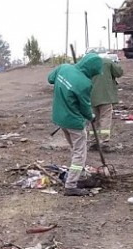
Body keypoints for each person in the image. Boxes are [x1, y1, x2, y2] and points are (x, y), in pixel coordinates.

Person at [47, 53, 103, 197]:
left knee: (75, 149)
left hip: (60, 118)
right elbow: (85, 107)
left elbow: (50, 79)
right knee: (79, 153)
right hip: (74, 122)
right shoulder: (85, 83)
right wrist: (91, 116)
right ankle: (71, 185)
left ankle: (81, 177)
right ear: (91, 70)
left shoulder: (64, 68)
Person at [90, 57, 123, 143]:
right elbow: (119, 72)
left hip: (91, 96)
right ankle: (104, 140)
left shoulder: (87, 65)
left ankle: (93, 140)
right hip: (106, 96)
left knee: (94, 119)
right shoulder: (108, 62)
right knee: (105, 118)